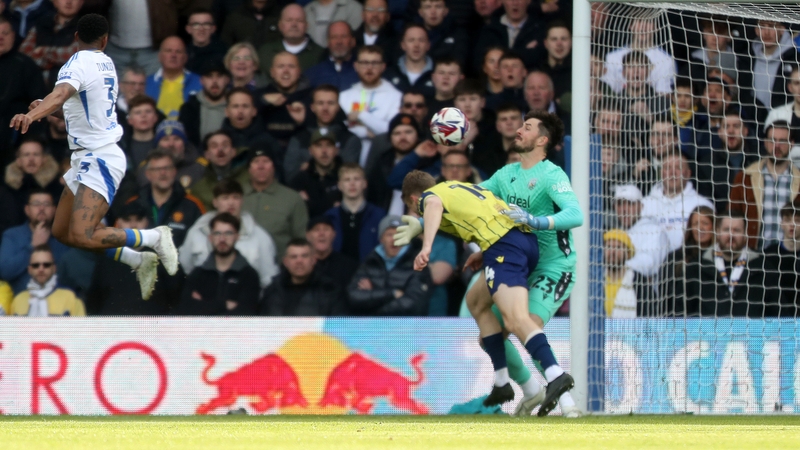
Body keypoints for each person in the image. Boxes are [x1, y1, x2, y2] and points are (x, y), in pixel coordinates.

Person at [9, 15, 180, 301]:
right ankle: (137, 260)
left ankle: (154, 238)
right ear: (105, 38)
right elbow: (80, 109)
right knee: (63, 233)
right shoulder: (107, 62)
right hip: (86, 158)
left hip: (99, 158)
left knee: (84, 235)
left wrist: (31, 115)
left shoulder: (77, 63)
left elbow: (60, 93)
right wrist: (49, 111)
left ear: (76, 37)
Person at [440, 110, 584, 416]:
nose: (519, 130)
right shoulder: (506, 175)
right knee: (487, 335)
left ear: (542, 140)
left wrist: (536, 220)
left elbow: (575, 214)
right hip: (518, 259)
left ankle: (568, 406)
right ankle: (532, 390)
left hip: (554, 266)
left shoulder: (552, 175)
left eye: (527, 127)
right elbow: (475, 199)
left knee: (525, 322)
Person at [397, 166, 572, 415]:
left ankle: (556, 376)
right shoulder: (461, 188)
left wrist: (426, 246)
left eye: (414, 207)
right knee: (475, 301)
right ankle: (502, 381)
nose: (418, 211)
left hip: (505, 247)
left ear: (413, 198)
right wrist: (483, 253)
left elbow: (433, 204)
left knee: (516, 319)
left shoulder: (431, 196)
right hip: (518, 242)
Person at [85, 202, 181, 315]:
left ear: (146, 222)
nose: (133, 225)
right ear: (118, 223)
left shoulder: (164, 258)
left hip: (151, 329)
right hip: (113, 328)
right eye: (127, 220)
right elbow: (93, 300)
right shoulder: (106, 258)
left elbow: (177, 299)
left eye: (139, 220)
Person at [180, 179, 278, 288]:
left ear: (242, 201)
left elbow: (268, 279)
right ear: (215, 202)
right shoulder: (197, 233)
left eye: (236, 197)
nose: (231, 203)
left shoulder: (260, 237)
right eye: (225, 198)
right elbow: (185, 270)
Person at [681, 212, 768, 317]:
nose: (731, 235)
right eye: (726, 230)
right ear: (717, 232)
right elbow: (681, 312)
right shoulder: (696, 269)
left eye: (736, 230)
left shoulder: (763, 269)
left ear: (745, 235)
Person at [730, 121, 800, 250]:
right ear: (765, 142)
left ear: (792, 144)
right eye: (772, 140)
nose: (777, 145)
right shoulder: (745, 178)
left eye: (783, 141)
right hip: (753, 255)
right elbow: (732, 217)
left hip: (791, 255)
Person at [176, 212, 261, 315]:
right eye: (217, 233)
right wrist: (223, 305)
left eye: (228, 233)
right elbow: (185, 310)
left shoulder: (249, 276)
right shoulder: (198, 274)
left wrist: (203, 305)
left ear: (237, 237)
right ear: (210, 238)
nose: (222, 239)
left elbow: (244, 315)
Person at [348, 215, 432, 315]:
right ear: (381, 239)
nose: (394, 239)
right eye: (389, 234)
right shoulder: (370, 262)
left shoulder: (418, 264)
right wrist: (392, 293)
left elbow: (414, 304)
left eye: (399, 234)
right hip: (372, 328)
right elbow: (353, 296)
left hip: (405, 328)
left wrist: (375, 309)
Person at [125, 149, 206, 248]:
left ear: (174, 171)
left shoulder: (193, 205)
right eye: (157, 169)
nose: (163, 173)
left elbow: (203, 243)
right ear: (148, 174)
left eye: (167, 168)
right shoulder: (132, 205)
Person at [340, 45, 403, 167]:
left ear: (383, 67)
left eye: (374, 63)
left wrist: (361, 115)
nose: (369, 67)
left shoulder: (396, 97)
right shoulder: (343, 97)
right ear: (356, 66)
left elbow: (392, 131)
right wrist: (365, 132)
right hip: (348, 163)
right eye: (364, 63)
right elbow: (340, 131)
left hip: (382, 162)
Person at [284, 84, 361, 181]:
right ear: (312, 107)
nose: (325, 108)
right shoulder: (299, 138)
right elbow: (290, 177)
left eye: (330, 103)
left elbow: (349, 178)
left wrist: (310, 166)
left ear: (338, 107)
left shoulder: (350, 139)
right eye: (320, 103)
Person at [641, 152, 714, 252]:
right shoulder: (644, 205)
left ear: (688, 173)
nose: (672, 173)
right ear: (661, 173)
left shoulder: (702, 205)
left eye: (678, 168)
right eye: (667, 168)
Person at [242, 148, 309, 258]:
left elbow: (301, 238)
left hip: (281, 267)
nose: (261, 166)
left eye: (266, 161)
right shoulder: (236, 196)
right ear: (249, 168)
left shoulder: (292, 198)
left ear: (274, 166)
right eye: (255, 162)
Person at [0, 190, 69, 294]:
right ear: (27, 210)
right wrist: (32, 246)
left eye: (46, 204)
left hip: (57, 304)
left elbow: (69, 275)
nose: (41, 208)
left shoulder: (62, 238)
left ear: (54, 210)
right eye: (36, 204)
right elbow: (4, 272)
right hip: (21, 303)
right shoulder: (12, 235)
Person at [260, 238, 348, 316]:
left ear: (313, 260)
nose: (299, 261)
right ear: (286, 262)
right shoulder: (272, 290)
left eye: (304, 256)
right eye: (294, 257)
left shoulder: (331, 290)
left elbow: (339, 329)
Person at [0, 16, 47, 155]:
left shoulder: (25, 65)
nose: (0, 38)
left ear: (13, 36)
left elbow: (39, 104)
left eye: (5, 33)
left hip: (16, 140)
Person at [658, 205, 715, 317]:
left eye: (705, 223)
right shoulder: (676, 257)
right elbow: (666, 293)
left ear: (714, 226)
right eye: (695, 224)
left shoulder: (721, 256)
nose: (700, 228)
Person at [325, 163, 385, 261]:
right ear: (339, 185)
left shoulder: (379, 215)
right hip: (336, 272)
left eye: (356, 179)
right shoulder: (330, 217)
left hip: (370, 272)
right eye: (347, 180)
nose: (352, 184)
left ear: (365, 183)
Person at [603, 16, 675, 95]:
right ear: (630, 26)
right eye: (639, 21)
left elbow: (664, 97)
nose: (643, 26)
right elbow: (608, 94)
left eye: (648, 22)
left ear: (655, 27)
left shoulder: (666, 60)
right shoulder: (612, 58)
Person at [8, 244, 85, 316]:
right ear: (29, 269)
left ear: (54, 268)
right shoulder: (18, 300)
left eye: (46, 265)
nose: (41, 269)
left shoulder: (70, 298)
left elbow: (82, 330)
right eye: (36, 265)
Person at [18, 0, 81, 87]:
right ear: (55, 2)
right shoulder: (41, 23)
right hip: (35, 89)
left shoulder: (86, 26)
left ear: (82, 2)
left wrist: (43, 52)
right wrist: (52, 60)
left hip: (67, 89)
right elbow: (23, 53)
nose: (68, 2)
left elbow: (75, 55)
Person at [612, 184, 670, 278]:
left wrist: (615, 268)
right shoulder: (615, 233)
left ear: (641, 206)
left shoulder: (655, 231)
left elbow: (648, 263)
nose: (624, 210)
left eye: (630, 203)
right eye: (620, 204)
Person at [255, 52, 312, 147]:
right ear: (272, 72)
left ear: (299, 72)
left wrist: (304, 120)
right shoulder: (258, 96)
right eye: (281, 66)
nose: (286, 71)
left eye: (291, 66)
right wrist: (262, 102)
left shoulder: (313, 97)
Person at [473, 0, 546, 73]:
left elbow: (540, 60)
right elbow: (479, 62)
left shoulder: (540, 29)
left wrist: (499, 57)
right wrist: (524, 52)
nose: (515, 3)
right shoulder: (490, 29)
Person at [4, 137, 63, 221]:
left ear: (44, 159)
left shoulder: (57, 188)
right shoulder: (7, 189)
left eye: (36, 154)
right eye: (26, 155)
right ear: (18, 160)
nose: (31, 159)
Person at [145, 36, 202, 120]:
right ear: (160, 56)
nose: (173, 55)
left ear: (185, 57)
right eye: (168, 51)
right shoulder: (146, 83)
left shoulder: (199, 82)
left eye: (178, 52)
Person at [221, 88, 283, 165]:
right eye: (235, 106)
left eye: (245, 106)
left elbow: (278, 172)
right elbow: (202, 162)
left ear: (254, 111)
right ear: (226, 112)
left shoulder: (269, 142)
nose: (240, 111)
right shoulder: (216, 141)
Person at [257, 4, 323, 74]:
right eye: (289, 20)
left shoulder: (320, 54)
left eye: (299, 20)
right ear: (280, 25)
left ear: (306, 25)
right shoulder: (265, 52)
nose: (294, 24)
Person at [603, 229, 654, 318]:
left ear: (628, 253)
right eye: (609, 247)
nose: (613, 252)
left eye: (618, 247)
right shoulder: (594, 279)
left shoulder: (639, 281)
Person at [761, 201, 800, 317]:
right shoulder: (768, 255)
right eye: (788, 220)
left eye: (797, 221)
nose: (792, 225)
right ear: (781, 223)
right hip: (774, 317)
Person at [290, 131, 342, 217]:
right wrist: (332, 206)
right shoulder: (300, 180)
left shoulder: (346, 177)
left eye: (329, 145)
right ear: (310, 151)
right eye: (319, 145)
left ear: (336, 150)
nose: (324, 151)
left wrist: (309, 204)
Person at [179, 61, 230, 149]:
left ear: (227, 80)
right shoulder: (189, 109)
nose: (214, 81)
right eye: (209, 76)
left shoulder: (236, 106)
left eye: (219, 76)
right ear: (202, 81)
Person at [305, 214, 359, 291]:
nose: (321, 234)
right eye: (316, 230)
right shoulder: (300, 265)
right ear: (308, 236)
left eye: (326, 229)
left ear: (334, 234)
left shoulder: (349, 267)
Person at [305, 21, 359, 92]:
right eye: (334, 37)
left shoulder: (363, 72)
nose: (339, 42)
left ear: (353, 41)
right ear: (328, 42)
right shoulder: (313, 74)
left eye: (343, 36)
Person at [418, 0, 468, 68]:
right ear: (420, 12)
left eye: (438, 7)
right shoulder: (411, 33)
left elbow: (459, 63)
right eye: (428, 7)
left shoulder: (458, 34)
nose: (433, 12)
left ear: (446, 11)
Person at [120, 95, 159, 171]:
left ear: (155, 117)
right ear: (129, 120)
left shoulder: (164, 145)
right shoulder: (122, 147)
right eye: (138, 112)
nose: (143, 116)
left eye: (148, 111)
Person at [184, 8, 229, 74]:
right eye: (196, 24)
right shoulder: (182, 54)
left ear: (213, 29)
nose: (201, 29)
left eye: (206, 24)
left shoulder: (225, 54)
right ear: (188, 29)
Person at [537, 21, 572, 102]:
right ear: (546, 43)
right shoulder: (537, 70)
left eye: (563, 39)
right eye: (554, 39)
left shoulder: (579, 72)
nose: (559, 44)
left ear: (571, 42)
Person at [355, 0, 397, 66]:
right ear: (363, 15)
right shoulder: (351, 40)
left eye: (380, 10)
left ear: (388, 16)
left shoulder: (396, 42)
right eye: (370, 9)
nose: (375, 14)